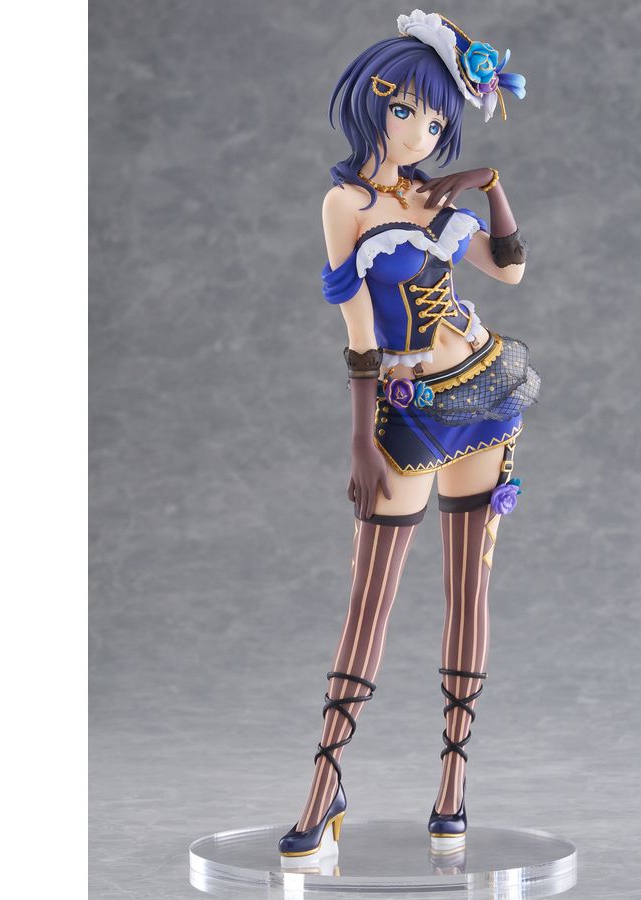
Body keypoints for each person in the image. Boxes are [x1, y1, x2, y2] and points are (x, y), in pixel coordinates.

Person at [278, 9, 540, 861]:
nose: (420, 132)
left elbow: (510, 269)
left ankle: (453, 785)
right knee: (371, 598)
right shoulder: (345, 204)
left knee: (470, 589)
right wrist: (361, 439)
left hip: (484, 387)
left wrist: (486, 185)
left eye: (435, 120)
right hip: (407, 405)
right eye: (406, 111)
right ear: (373, 101)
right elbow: (359, 331)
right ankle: (325, 783)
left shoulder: (431, 194)